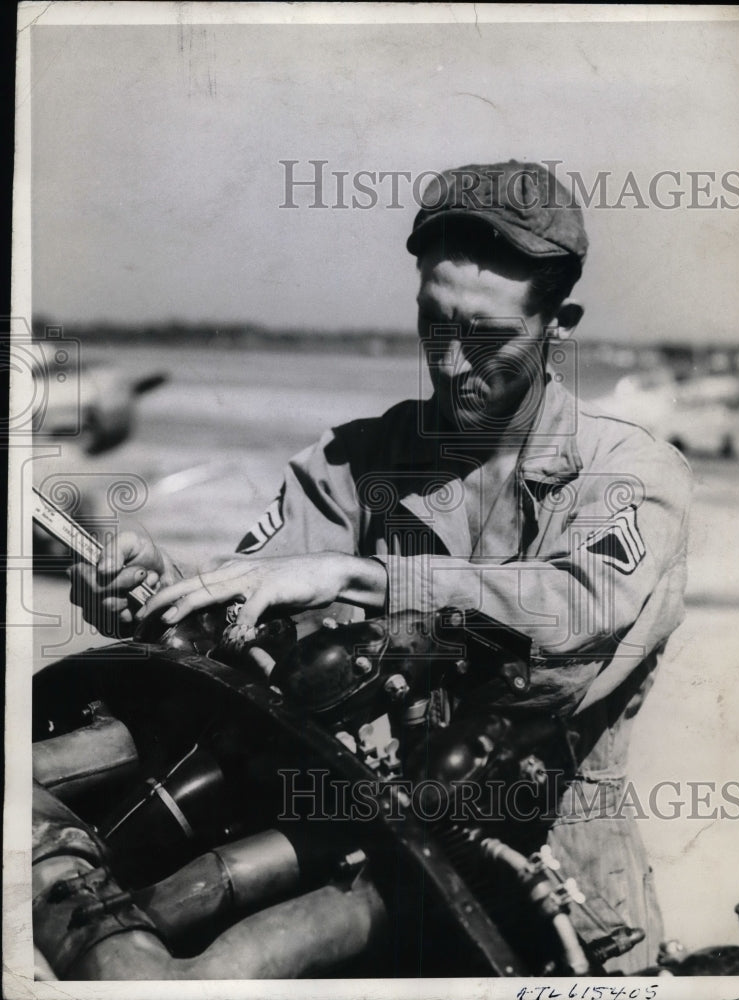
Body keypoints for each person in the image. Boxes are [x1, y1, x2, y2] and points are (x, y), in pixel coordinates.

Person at [69, 160, 693, 973]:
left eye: (488, 337)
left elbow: (576, 610)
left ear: (558, 323)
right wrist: (155, 587)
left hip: (555, 898)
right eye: (434, 325)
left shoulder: (628, 474)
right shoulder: (354, 459)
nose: (452, 364)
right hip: (359, 862)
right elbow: (244, 616)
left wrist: (361, 575)